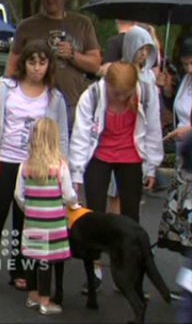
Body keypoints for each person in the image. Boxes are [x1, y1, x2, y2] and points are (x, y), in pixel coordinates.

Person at [0, 39, 69, 292]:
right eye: (32, 62)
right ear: (23, 63)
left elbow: (61, 135)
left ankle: (19, 270)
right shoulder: (6, 88)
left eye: (42, 62)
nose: (36, 68)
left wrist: (61, 167)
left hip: (35, 167)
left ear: (49, 65)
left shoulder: (54, 97)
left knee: (25, 221)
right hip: (4, 160)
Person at [69, 61, 163, 223]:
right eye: (116, 93)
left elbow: (153, 130)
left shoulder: (147, 94)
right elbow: (81, 136)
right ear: (107, 84)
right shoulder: (92, 96)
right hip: (100, 155)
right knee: (94, 212)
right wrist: (76, 174)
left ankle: (128, 240)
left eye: (126, 94)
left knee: (131, 214)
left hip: (131, 155)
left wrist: (151, 168)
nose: (121, 98)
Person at [7, 0, 101, 131]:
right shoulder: (27, 27)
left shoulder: (82, 24)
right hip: (37, 105)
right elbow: (11, 69)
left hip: (74, 104)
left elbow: (95, 65)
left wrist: (73, 55)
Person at [14, 118, 79, 315]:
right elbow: (68, 195)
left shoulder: (25, 167)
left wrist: (29, 209)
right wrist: (73, 203)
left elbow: (18, 195)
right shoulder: (60, 167)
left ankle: (32, 296)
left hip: (33, 222)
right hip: (54, 225)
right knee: (46, 262)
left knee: (33, 259)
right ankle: (45, 301)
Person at [158, 34, 192, 254]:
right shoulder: (186, 80)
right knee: (181, 214)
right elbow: (178, 110)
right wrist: (168, 92)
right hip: (184, 155)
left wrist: (188, 131)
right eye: (185, 64)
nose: (189, 68)